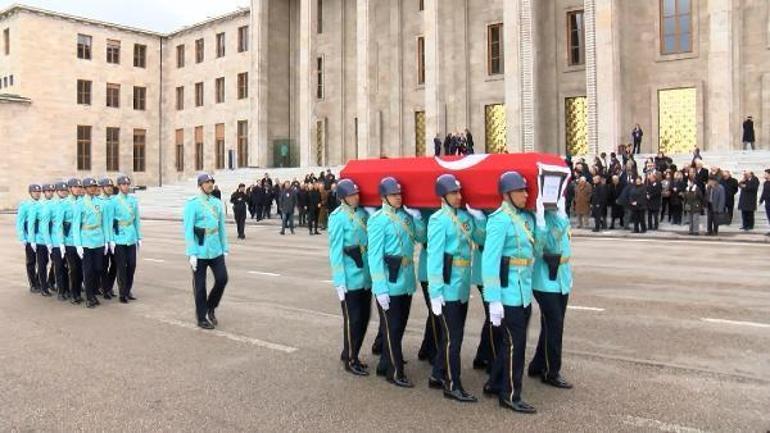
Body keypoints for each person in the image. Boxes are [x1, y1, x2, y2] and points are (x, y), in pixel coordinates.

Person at [482, 171, 542, 414]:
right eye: (521, 191)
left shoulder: (524, 219)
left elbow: (536, 248)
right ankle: (510, 395)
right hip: (507, 294)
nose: (525, 194)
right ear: (507, 194)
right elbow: (490, 262)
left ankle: (495, 383)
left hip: (523, 291)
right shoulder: (499, 220)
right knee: (515, 345)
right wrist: (493, 299)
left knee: (512, 343)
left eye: (526, 190)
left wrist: (542, 224)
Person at [426, 174, 486, 403]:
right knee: (454, 337)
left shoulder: (465, 217)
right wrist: (436, 292)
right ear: (443, 195)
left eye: (460, 192)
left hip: (461, 286)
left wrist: (479, 219)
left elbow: (482, 238)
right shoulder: (438, 220)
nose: (459, 197)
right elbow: (434, 258)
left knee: (451, 335)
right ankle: (453, 384)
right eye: (454, 193)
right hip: (447, 286)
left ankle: (437, 374)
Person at [367, 176, 426, 388]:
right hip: (389, 282)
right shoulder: (378, 220)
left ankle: (385, 362)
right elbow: (374, 256)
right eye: (394, 194)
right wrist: (380, 287)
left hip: (406, 280)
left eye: (400, 194)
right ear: (384, 197)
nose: (398, 198)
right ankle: (395, 371)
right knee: (391, 328)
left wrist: (417, 217)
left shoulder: (406, 216)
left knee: (399, 326)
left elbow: (421, 237)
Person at [528, 187, 573, 390]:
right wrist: (543, 219)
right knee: (555, 324)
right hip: (545, 280)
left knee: (551, 324)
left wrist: (562, 215)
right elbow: (544, 245)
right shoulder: (540, 217)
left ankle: (538, 364)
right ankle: (551, 371)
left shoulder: (557, 214)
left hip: (562, 277)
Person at [328, 179, 372, 376]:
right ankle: (351, 359)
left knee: (364, 317)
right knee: (352, 319)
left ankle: (350, 351)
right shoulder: (337, 218)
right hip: (349, 278)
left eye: (357, 193)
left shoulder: (363, 214)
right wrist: (339, 281)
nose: (357, 197)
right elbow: (335, 251)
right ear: (344, 197)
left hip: (365, 276)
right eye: (353, 194)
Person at [183, 173, 229, 329]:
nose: (210, 184)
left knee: (222, 279)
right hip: (200, 250)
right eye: (207, 182)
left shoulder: (217, 203)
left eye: (211, 182)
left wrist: (225, 248)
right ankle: (201, 317)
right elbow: (188, 230)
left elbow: (221, 227)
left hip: (215, 249)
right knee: (200, 286)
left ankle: (211, 306)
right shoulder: (193, 204)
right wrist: (192, 253)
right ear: (200, 185)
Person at [73, 178, 110, 308]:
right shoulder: (79, 204)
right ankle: (90, 297)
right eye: (90, 187)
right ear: (85, 188)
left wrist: (106, 241)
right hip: (86, 240)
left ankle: (94, 292)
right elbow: (75, 226)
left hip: (99, 239)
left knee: (98, 269)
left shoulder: (101, 203)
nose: (93, 188)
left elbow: (104, 223)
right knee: (88, 270)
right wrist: (78, 245)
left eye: (94, 186)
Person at [112, 175, 142, 303]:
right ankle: (123, 293)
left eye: (127, 184)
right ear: (118, 186)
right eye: (123, 184)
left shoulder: (133, 201)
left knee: (132, 265)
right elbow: (109, 222)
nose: (125, 186)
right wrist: (111, 239)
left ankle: (128, 289)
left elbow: (137, 220)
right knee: (121, 267)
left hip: (131, 236)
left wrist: (139, 237)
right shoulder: (113, 201)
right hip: (119, 237)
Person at [27, 183, 55, 297]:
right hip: (40, 239)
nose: (50, 193)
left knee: (54, 262)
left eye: (51, 191)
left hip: (53, 239)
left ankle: (50, 282)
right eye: (48, 191)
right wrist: (32, 240)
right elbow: (31, 224)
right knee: (42, 264)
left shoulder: (55, 204)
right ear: (44, 192)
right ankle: (43, 287)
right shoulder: (38, 205)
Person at [50, 182, 70, 301]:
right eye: (61, 190)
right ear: (57, 192)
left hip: (68, 240)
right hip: (56, 241)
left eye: (65, 190)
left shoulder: (70, 203)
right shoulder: (52, 205)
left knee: (68, 266)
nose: (63, 192)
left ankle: (67, 288)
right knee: (59, 266)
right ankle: (61, 291)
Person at [98, 178, 117, 299]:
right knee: (103, 266)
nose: (110, 188)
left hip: (114, 237)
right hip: (103, 238)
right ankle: (104, 288)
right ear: (102, 188)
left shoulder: (114, 201)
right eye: (107, 186)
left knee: (115, 264)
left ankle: (108, 286)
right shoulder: (98, 202)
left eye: (111, 186)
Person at [759, 169, 770, 236]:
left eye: (765, 173)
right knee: (769, 217)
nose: (764, 175)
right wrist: (761, 200)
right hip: (767, 203)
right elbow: (764, 192)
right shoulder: (765, 183)